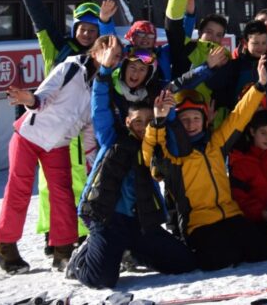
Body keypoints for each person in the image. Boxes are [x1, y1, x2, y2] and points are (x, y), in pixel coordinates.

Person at [0, 35, 121, 274]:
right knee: (19, 189)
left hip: (59, 143)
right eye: (109, 53)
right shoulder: (70, 67)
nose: (113, 60)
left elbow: (90, 130)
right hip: (29, 135)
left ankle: (63, 250)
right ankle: (4, 246)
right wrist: (29, 99)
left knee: (62, 195)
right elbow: (44, 95)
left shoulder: (101, 86)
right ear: (95, 52)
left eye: (116, 57)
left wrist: (94, 163)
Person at [144, 56, 267, 271]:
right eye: (185, 120)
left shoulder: (215, 144)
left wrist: (259, 86)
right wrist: (159, 121)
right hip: (199, 223)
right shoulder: (174, 156)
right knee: (220, 259)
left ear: (205, 120)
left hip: (231, 214)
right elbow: (151, 151)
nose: (191, 124)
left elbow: (239, 116)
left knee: (262, 251)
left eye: (196, 119)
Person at [66, 70, 194, 288]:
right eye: (137, 121)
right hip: (108, 220)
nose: (142, 126)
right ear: (127, 121)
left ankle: (134, 253)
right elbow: (100, 107)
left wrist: (166, 115)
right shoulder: (111, 139)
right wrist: (104, 73)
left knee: (184, 263)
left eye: (148, 121)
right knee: (102, 280)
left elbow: (175, 145)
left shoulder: (154, 144)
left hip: (141, 223)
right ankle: (80, 259)